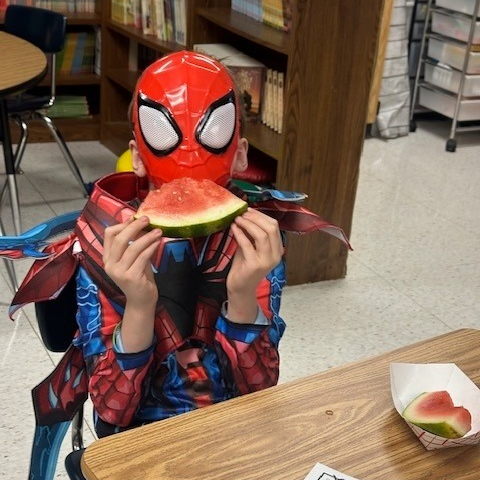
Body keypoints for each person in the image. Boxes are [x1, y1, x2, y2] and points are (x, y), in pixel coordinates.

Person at [71, 50, 287, 437]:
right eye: (166, 136)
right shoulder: (107, 246)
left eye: (212, 132)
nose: (188, 158)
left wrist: (240, 297)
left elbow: (260, 390)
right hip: (141, 436)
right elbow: (110, 414)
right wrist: (138, 307)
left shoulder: (257, 243)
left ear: (240, 155)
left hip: (233, 429)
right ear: (137, 157)